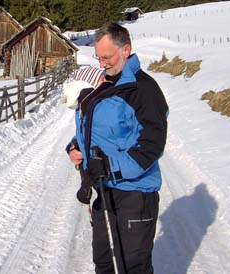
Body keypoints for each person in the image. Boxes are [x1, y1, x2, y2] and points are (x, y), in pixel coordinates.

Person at [66, 22, 168, 274]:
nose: (102, 64)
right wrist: (75, 146)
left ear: (126, 50)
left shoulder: (143, 90)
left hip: (134, 193)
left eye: (107, 57)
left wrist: (111, 167)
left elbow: (151, 145)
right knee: (104, 262)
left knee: (131, 266)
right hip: (104, 189)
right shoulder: (105, 84)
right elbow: (94, 128)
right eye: (99, 58)